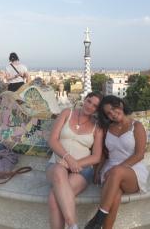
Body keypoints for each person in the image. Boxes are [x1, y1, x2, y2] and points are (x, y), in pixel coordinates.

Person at [85, 95, 148, 229]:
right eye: (108, 113)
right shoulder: (107, 128)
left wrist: (115, 170)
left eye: (114, 109)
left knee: (117, 172)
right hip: (110, 170)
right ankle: (100, 226)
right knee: (115, 196)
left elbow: (139, 155)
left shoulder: (136, 126)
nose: (113, 114)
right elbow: (103, 153)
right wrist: (96, 171)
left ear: (121, 104)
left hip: (133, 170)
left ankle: (98, 219)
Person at [46, 92, 104, 229]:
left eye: (95, 106)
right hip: (56, 164)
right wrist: (68, 159)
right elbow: (52, 140)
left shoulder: (98, 127)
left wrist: (74, 164)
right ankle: (73, 225)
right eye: (89, 101)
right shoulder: (67, 113)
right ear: (85, 99)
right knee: (60, 170)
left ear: (97, 110)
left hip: (82, 170)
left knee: (54, 199)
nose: (90, 106)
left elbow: (96, 157)